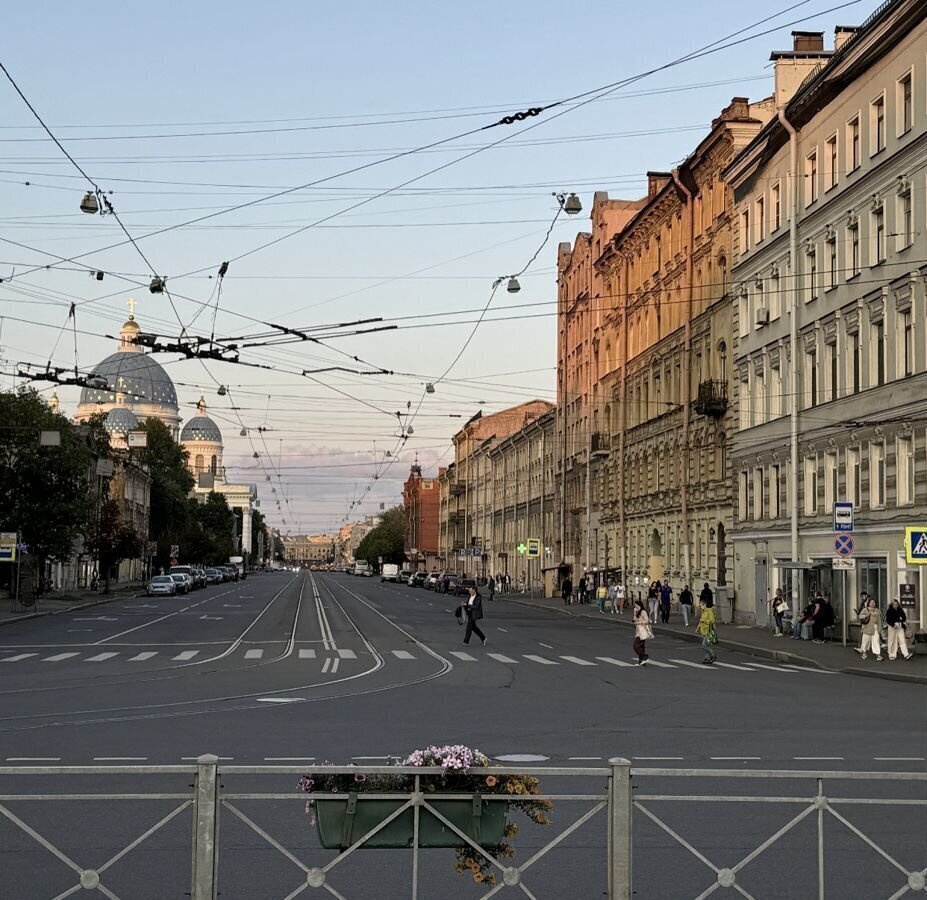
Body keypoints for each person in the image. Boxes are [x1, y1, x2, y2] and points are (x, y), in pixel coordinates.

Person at [696, 595, 718, 664]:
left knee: (704, 644)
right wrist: (697, 628)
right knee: (706, 645)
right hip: (704, 630)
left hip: (709, 630)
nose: (700, 607)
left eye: (701, 606)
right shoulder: (703, 612)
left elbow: (712, 621)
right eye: (700, 606)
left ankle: (713, 655)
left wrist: (704, 620)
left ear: (704, 605)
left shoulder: (709, 611)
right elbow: (700, 621)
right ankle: (707, 658)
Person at [632, 599, 652, 666]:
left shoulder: (643, 612)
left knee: (636, 646)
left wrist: (639, 622)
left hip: (643, 631)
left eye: (636, 605)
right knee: (641, 647)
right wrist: (634, 614)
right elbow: (634, 620)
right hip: (638, 631)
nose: (635, 607)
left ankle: (644, 656)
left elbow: (647, 621)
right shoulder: (637, 612)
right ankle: (642, 662)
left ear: (639, 605)